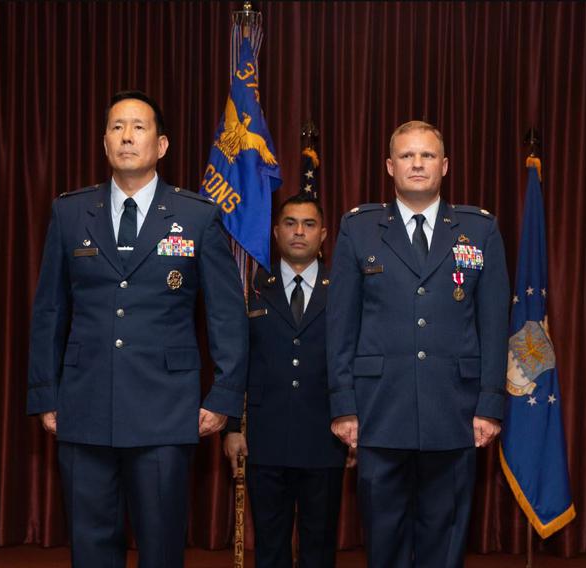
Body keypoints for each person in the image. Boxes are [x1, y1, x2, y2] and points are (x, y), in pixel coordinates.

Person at [26, 90, 248, 568]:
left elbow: (227, 316)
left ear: (162, 145)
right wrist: (46, 393)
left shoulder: (197, 215)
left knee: (162, 547)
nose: (127, 136)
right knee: (90, 546)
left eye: (139, 127)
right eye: (117, 127)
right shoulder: (70, 213)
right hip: (83, 407)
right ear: (105, 143)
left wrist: (224, 398)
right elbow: (49, 311)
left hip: (166, 411)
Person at [327, 120, 510, 568]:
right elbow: (340, 325)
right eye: (407, 156)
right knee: (383, 540)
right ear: (390, 166)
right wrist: (344, 405)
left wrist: (489, 404)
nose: (417, 164)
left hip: (455, 409)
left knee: (443, 541)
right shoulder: (359, 228)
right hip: (378, 410)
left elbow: (493, 323)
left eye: (427, 156)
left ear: (444, 166)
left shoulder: (479, 229)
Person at [223, 192, 347, 568]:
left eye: (309, 224)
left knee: (320, 545)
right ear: (276, 232)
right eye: (290, 223)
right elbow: (236, 362)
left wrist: (355, 423)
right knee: (271, 546)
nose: (299, 232)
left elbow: (354, 359)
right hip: (265, 437)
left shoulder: (342, 289)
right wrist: (231, 427)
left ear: (323, 234)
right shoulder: (251, 287)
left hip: (325, 436)